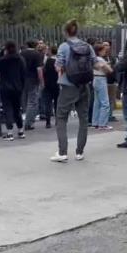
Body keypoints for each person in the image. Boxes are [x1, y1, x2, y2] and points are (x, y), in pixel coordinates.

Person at [51, 19, 98, 163]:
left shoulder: (64, 47)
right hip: (84, 85)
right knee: (83, 119)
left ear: (65, 32)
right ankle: (79, 152)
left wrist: (60, 68)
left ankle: (62, 152)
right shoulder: (87, 46)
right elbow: (95, 63)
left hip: (68, 85)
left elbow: (58, 66)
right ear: (77, 31)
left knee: (61, 118)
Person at [0, 41, 27, 141]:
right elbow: (23, 74)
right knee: (17, 109)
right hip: (17, 87)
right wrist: (21, 86)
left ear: (6, 49)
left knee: (7, 109)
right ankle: (21, 131)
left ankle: (10, 132)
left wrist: (1, 52)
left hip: (5, 87)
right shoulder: (20, 59)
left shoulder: (3, 60)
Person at [21, 40, 45, 130]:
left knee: (25, 99)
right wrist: (42, 81)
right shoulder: (37, 54)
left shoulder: (22, 53)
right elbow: (39, 69)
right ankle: (29, 122)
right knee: (32, 101)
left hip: (23, 79)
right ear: (35, 45)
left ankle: (24, 116)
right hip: (33, 79)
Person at [92, 43, 114, 130]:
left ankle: (95, 122)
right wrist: (107, 65)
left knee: (97, 102)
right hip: (101, 79)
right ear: (99, 51)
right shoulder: (100, 59)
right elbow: (110, 70)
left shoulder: (94, 59)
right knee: (105, 103)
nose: (105, 51)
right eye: (103, 50)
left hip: (95, 78)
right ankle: (102, 124)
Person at [43, 46, 60, 129]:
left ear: (50, 51)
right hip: (56, 84)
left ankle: (48, 122)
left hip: (47, 84)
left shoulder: (46, 60)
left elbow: (43, 71)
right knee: (57, 103)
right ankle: (57, 120)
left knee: (48, 103)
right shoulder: (58, 61)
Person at [104, 40, 119, 122]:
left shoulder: (113, 57)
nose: (105, 47)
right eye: (104, 45)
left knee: (111, 99)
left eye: (107, 45)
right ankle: (104, 116)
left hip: (111, 80)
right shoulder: (100, 57)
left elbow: (115, 69)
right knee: (104, 100)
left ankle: (110, 115)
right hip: (103, 80)